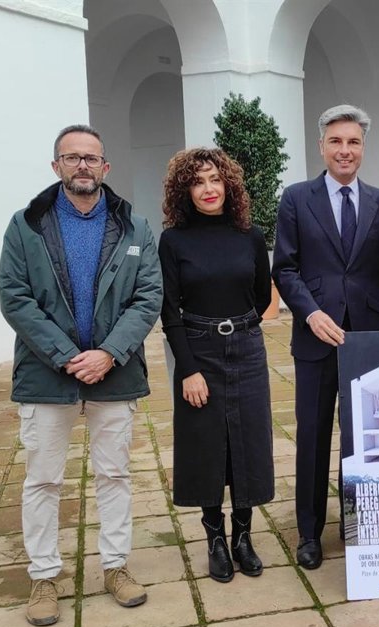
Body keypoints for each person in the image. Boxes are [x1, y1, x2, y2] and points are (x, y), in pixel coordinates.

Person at [0, 124, 163, 626]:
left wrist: (109, 353)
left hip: (114, 373)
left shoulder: (134, 226)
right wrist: (68, 355)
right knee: (44, 479)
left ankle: (115, 567)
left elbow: (149, 296)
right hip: (48, 375)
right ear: (57, 166)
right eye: (72, 157)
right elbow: (15, 297)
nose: (82, 166)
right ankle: (44, 576)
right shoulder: (26, 225)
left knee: (114, 475)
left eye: (91, 158)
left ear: (105, 167)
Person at [273, 104, 379, 569]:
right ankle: (310, 533)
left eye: (353, 142)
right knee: (312, 437)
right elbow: (285, 268)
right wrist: (310, 313)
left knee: (368, 436)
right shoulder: (296, 198)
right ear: (322, 146)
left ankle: (365, 523)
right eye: (336, 141)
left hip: (368, 340)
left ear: (363, 148)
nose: (344, 150)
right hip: (315, 339)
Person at [158, 147, 273, 583]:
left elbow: (262, 296)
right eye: (197, 181)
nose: (208, 189)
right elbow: (169, 311)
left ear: (228, 184)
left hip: (247, 346)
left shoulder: (250, 236)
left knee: (248, 441)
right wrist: (188, 369)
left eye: (214, 179)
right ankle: (215, 540)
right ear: (184, 191)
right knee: (206, 444)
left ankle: (243, 536)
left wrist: (238, 328)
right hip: (198, 348)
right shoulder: (174, 241)